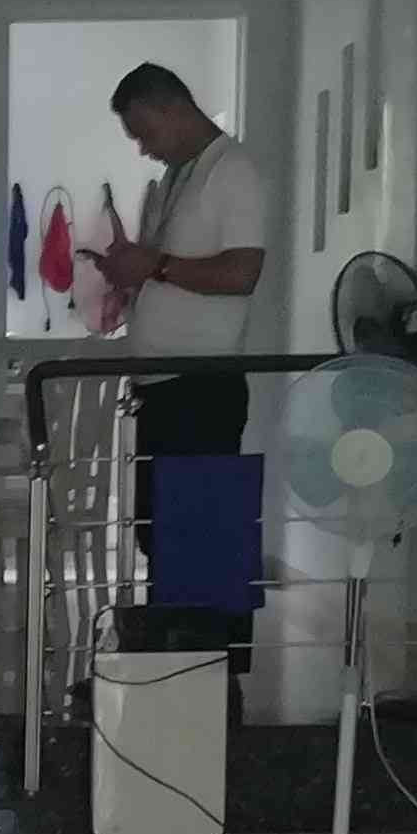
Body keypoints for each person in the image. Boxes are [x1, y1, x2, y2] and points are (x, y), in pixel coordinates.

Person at [89, 63, 269, 624]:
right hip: (161, 387)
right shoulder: (175, 178)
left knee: (199, 538)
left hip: (201, 388)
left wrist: (154, 265)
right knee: (160, 532)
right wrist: (131, 273)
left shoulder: (232, 171)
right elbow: (167, 270)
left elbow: (242, 273)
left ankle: (206, 661)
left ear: (173, 108)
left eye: (144, 132)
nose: (143, 148)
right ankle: (174, 652)